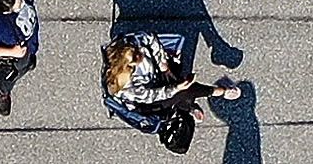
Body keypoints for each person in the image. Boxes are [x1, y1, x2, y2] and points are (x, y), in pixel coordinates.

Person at [103, 32, 241, 119]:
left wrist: (163, 64)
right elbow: (153, 95)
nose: (141, 55)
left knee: (179, 78)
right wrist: (176, 88)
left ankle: (186, 106)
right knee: (185, 90)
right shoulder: (125, 86)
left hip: (156, 76)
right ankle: (218, 91)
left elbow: (150, 38)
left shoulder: (132, 44)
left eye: (138, 52)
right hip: (148, 103)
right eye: (137, 58)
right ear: (127, 66)